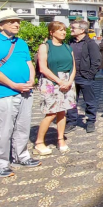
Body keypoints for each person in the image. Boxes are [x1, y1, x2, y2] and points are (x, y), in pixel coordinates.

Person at [0, 10, 39, 177]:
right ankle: (2, 163)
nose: (17, 24)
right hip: (6, 92)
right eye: (12, 21)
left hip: (25, 91)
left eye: (17, 21)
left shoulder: (21, 42)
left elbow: (29, 63)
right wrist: (13, 85)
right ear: (2, 24)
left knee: (23, 125)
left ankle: (21, 156)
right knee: (5, 128)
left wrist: (31, 80)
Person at [34, 21, 76, 155]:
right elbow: (43, 68)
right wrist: (59, 81)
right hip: (51, 82)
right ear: (52, 32)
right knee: (51, 112)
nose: (63, 32)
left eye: (64, 30)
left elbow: (74, 66)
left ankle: (60, 139)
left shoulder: (68, 47)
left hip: (67, 81)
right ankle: (39, 142)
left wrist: (69, 80)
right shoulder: (45, 47)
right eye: (60, 30)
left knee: (62, 111)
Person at [66, 20, 101, 133]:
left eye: (73, 28)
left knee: (89, 101)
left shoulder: (90, 44)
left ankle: (90, 121)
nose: (71, 30)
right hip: (71, 77)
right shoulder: (70, 42)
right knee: (71, 101)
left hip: (85, 77)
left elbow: (96, 61)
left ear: (82, 30)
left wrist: (89, 75)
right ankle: (71, 122)